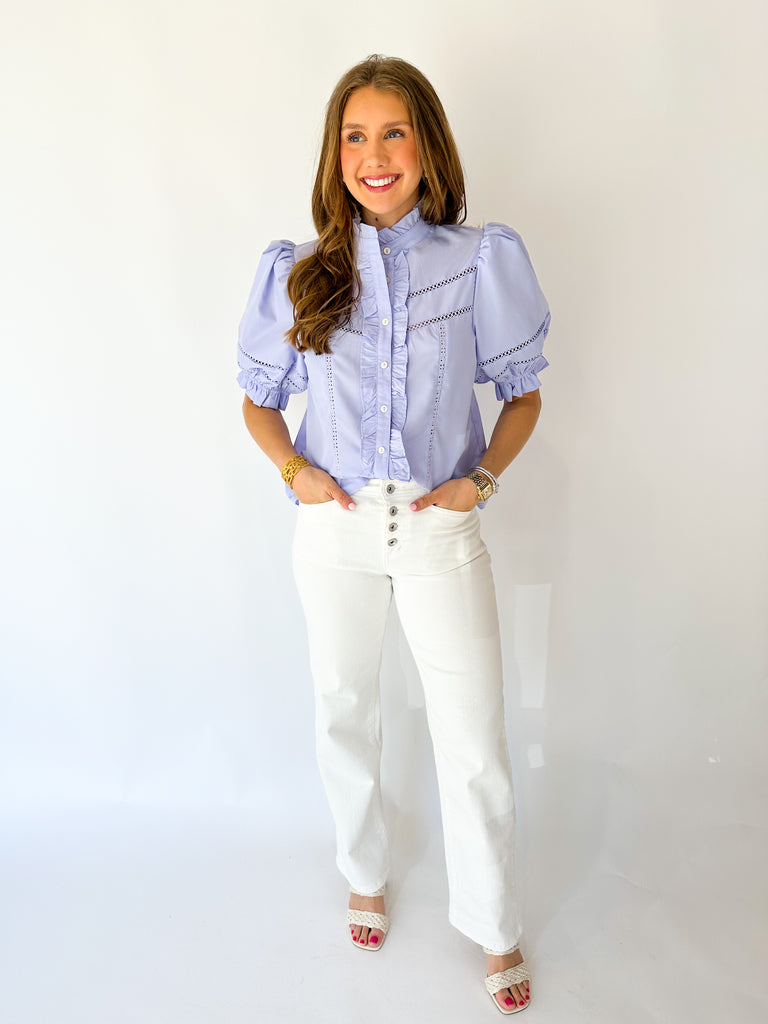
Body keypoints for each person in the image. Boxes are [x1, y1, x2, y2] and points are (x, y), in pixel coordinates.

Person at [236, 54, 551, 1015]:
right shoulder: (299, 270)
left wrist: (476, 484)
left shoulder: (479, 259)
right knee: (343, 709)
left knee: (473, 736)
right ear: (335, 155)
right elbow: (257, 403)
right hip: (331, 528)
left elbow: (523, 395)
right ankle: (364, 872)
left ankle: (494, 925)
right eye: (355, 136)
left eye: (394, 133)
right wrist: (296, 474)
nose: (375, 155)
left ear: (427, 147)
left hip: (436, 527)